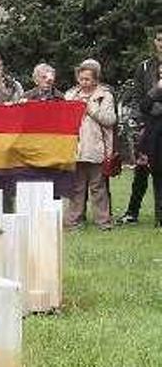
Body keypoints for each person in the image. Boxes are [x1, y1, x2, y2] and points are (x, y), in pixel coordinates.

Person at [63, 60, 117, 230]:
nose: (83, 82)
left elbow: (110, 120)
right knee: (76, 189)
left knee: (98, 188)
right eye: (81, 78)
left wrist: (91, 109)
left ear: (95, 79)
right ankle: (73, 222)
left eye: (87, 79)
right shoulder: (70, 95)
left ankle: (103, 222)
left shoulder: (105, 96)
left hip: (97, 148)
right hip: (75, 149)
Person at [123, 29, 162, 226]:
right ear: (155, 42)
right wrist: (148, 114)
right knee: (141, 170)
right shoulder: (145, 67)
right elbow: (138, 98)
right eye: (160, 40)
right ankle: (132, 212)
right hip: (147, 124)